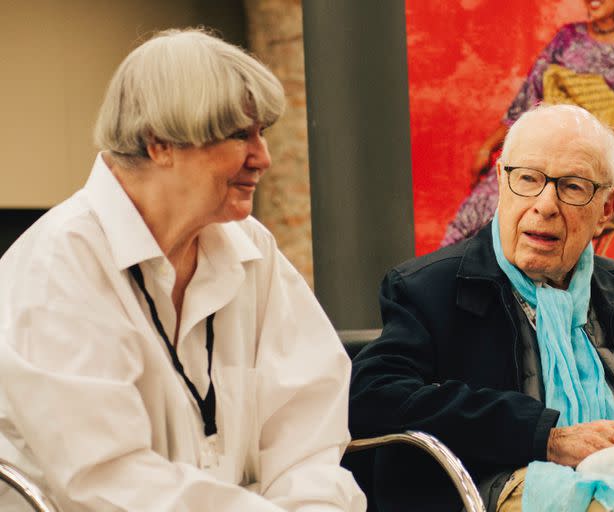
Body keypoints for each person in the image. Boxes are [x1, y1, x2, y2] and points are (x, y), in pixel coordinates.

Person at [0, 28, 365, 511]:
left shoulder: (252, 249)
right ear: (159, 144)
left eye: (263, 133)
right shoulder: (58, 266)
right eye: (240, 136)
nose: (263, 157)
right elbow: (107, 480)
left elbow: (308, 437)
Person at [349, 105, 614, 511]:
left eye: (572, 186)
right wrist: (545, 436)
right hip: (500, 482)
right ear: (500, 181)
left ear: (608, 208)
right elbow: (372, 395)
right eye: (528, 178)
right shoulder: (428, 289)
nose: (545, 204)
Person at [441, 0, 614, 247]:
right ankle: (460, 276)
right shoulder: (567, 38)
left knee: (547, 203)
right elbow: (527, 102)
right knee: (488, 205)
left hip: (599, 168)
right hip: (545, 157)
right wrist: (487, 147)